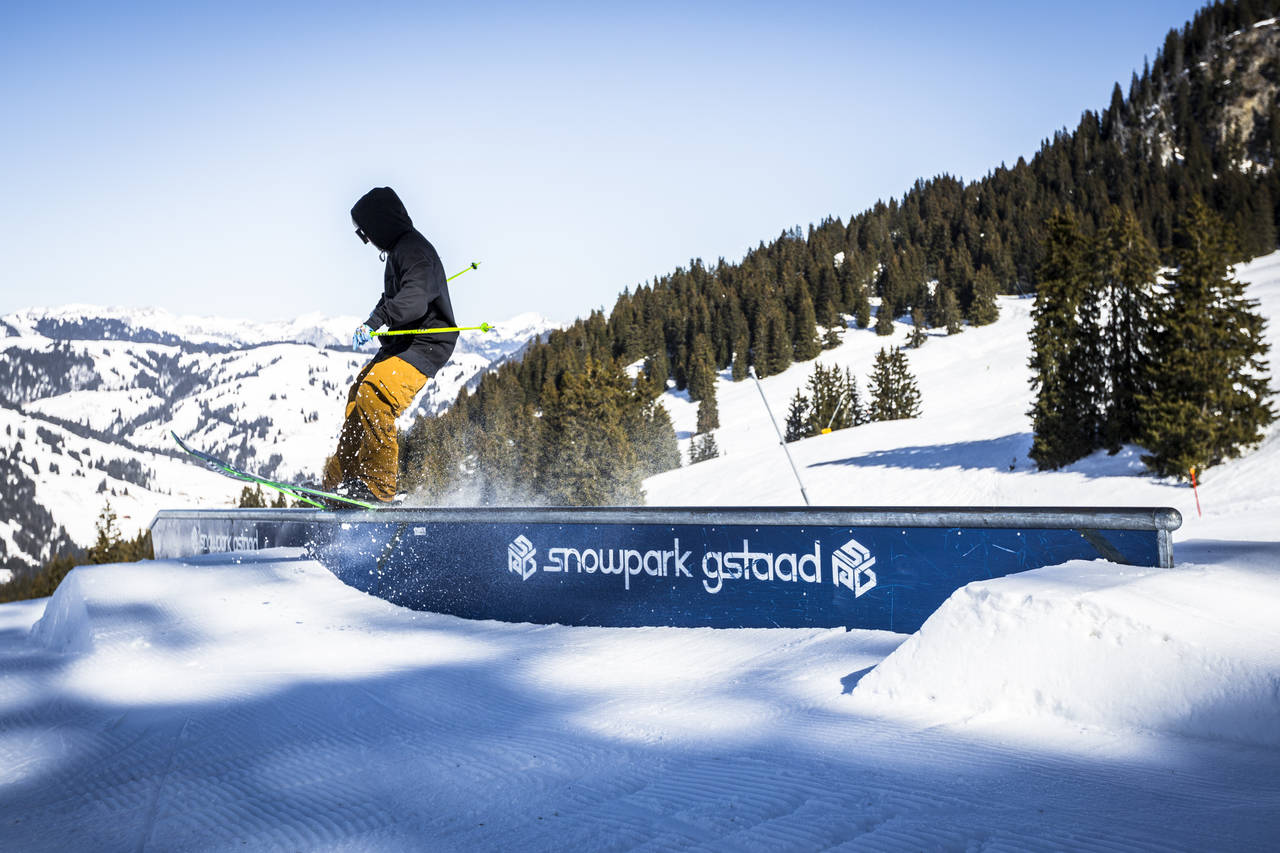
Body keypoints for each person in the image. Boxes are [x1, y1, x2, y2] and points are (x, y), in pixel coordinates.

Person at [322, 186, 458, 504]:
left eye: (365, 232)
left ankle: (380, 487)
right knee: (358, 395)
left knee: (377, 394)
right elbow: (392, 297)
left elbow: (412, 300)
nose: (366, 240)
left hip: (426, 342)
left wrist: (377, 320)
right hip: (404, 340)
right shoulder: (399, 251)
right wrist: (375, 317)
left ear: (380, 224)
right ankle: (340, 483)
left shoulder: (415, 250)